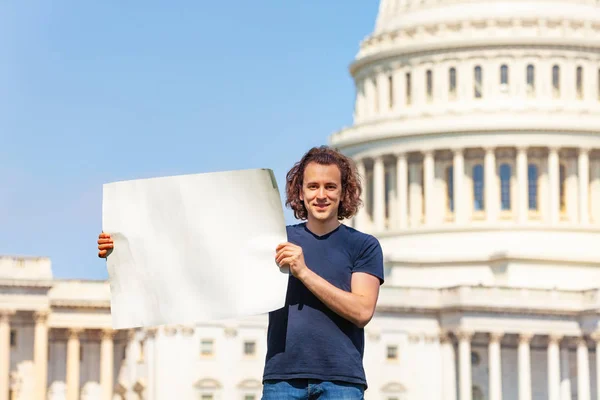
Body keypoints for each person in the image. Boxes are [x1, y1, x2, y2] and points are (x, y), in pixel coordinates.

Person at [97, 145, 384, 399]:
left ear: (344, 192)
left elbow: (361, 311)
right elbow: (199, 259)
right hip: (282, 378)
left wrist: (303, 272)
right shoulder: (274, 239)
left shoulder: (364, 246)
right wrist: (123, 249)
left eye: (330, 187)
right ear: (300, 191)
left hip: (341, 381)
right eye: (312, 186)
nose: (321, 195)